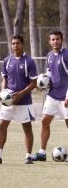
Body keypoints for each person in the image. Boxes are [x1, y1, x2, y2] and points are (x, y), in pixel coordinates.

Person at [0, 34, 38, 164]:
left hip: (24, 101)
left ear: (22, 44)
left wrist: (20, 94)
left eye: (18, 43)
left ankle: (28, 156)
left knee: (27, 128)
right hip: (8, 102)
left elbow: (34, 83)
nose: (15, 46)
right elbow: (5, 79)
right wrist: (4, 92)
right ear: (11, 45)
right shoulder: (7, 61)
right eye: (13, 43)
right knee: (2, 126)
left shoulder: (29, 61)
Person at [32, 30, 68, 161]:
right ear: (49, 41)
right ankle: (42, 153)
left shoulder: (66, 55)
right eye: (53, 39)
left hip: (65, 97)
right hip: (52, 95)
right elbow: (49, 73)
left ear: (61, 40)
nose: (55, 41)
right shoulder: (49, 55)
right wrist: (43, 84)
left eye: (57, 39)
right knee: (44, 122)